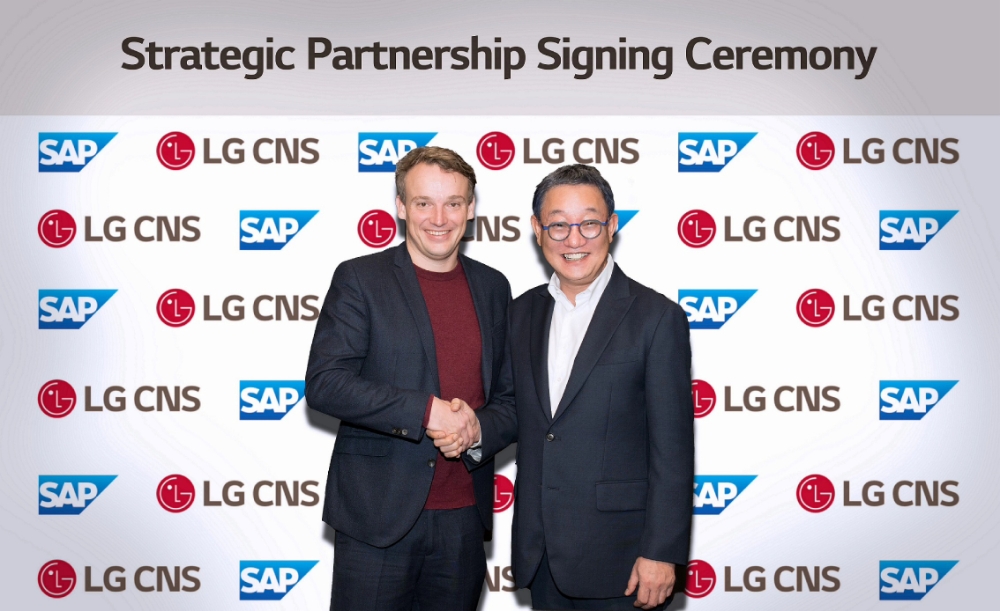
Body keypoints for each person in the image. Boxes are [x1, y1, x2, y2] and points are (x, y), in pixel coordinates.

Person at [433, 164, 694, 610]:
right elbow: (512, 408)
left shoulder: (656, 317)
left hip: (625, 561)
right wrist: (473, 430)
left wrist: (661, 552)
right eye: (558, 225)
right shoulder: (521, 313)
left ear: (612, 225)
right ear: (538, 230)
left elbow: (672, 450)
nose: (574, 240)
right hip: (542, 554)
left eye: (589, 223)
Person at [305, 146, 514, 611]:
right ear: (401, 206)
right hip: (377, 518)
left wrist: (477, 428)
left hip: (464, 519)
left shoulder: (494, 287)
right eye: (424, 203)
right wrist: (426, 411)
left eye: (453, 203)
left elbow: (511, 400)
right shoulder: (360, 278)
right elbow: (325, 382)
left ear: (471, 208)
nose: (439, 218)